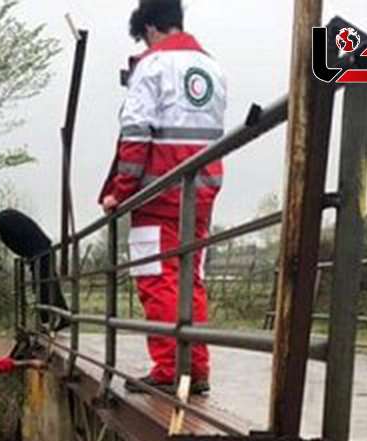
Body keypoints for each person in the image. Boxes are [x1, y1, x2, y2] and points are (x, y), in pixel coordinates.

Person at [99, 0, 226, 396]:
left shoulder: (151, 66)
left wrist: (121, 193)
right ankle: (196, 368)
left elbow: (136, 136)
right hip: (202, 189)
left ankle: (171, 369)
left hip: (158, 192)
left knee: (158, 279)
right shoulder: (213, 68)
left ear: (150, 27)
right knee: (191, 280)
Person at [0, 209, 70, 331]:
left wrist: (31, 255)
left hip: (39, 252)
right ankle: (62, 316)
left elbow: (22, 238)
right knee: (49, 284)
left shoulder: (4, 222)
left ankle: (47, 322)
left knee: (43, 286)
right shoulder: (3, 219)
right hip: (39, 251)